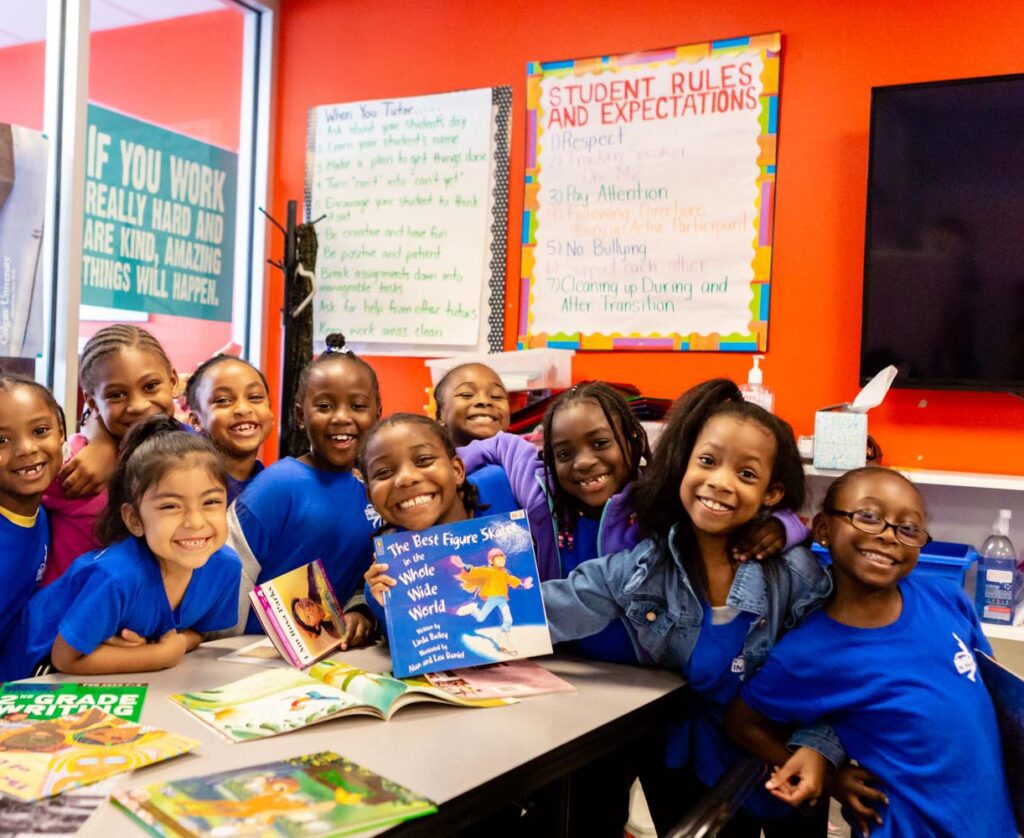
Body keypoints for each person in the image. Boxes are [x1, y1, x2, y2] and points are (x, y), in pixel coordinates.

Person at [540, 379, 841, 837]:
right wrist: (417, 615)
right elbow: (552, 606)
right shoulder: (646, 566)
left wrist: (820, 748)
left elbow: (837, 674)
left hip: (786, 758)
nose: (719, 482)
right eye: (707, 461)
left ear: (772, 493)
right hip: (695, 766)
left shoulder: (796, 576)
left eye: (746, 474)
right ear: (683, 465)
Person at [727, 466, 1016, 838]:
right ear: (823, 529)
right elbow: (742, 722)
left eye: (908, 527)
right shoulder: (808, 652)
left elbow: (994, 701)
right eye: (868, 517)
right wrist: (831, 780)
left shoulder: (947, 599)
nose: (888, 535)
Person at [0, 416, 242, 680]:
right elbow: (66, 658)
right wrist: (159, 655)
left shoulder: (225, 566)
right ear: (134, 519)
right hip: (31, 678)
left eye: (210, 502)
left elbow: (200, 630)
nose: (195, 522)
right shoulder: (117, 576)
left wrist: (174, 645)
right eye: (170, 506)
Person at [226, 333, 380, 646]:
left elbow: (363, 576)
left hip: (326, 656)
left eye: (358, 405)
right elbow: (229, 573)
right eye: (324, 406)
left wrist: (359, 613)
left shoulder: (376, 494)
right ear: (300, 416)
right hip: (254, 656)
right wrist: (224, 648)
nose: (341, 417)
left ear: (376, 414)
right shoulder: (277, 485)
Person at [41, 324, 180, 586]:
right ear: (92, 403)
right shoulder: (76, 466)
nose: (138, 405)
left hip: (144, 619)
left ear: (173, 381)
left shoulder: (190, 451)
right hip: (70, 617)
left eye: (150, 386)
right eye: (116, 395)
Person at [361, 413, 516, 616]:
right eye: (383, 473)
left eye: (423, 460)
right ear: (370, 496)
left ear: (457, 470)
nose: (406, 479)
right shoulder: (388, 573)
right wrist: (385, 602)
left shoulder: (504, 487)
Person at [0, 374, 65, 642]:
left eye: (40, 431)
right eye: (0, 440)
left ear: (61, 431)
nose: (26, 449)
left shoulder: (50, 505)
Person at [185, 355, 274, 503]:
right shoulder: (185, 485)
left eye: (255, 397)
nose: (243, 409)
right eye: (223, 400)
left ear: (271, 412)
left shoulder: (274, 488)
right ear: (196, 421)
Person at [434, 362, 511, 448]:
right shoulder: (435, 459)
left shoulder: (524, 456)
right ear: (440, 414)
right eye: (466, 394)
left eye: (496, 396)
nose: (484, 401)